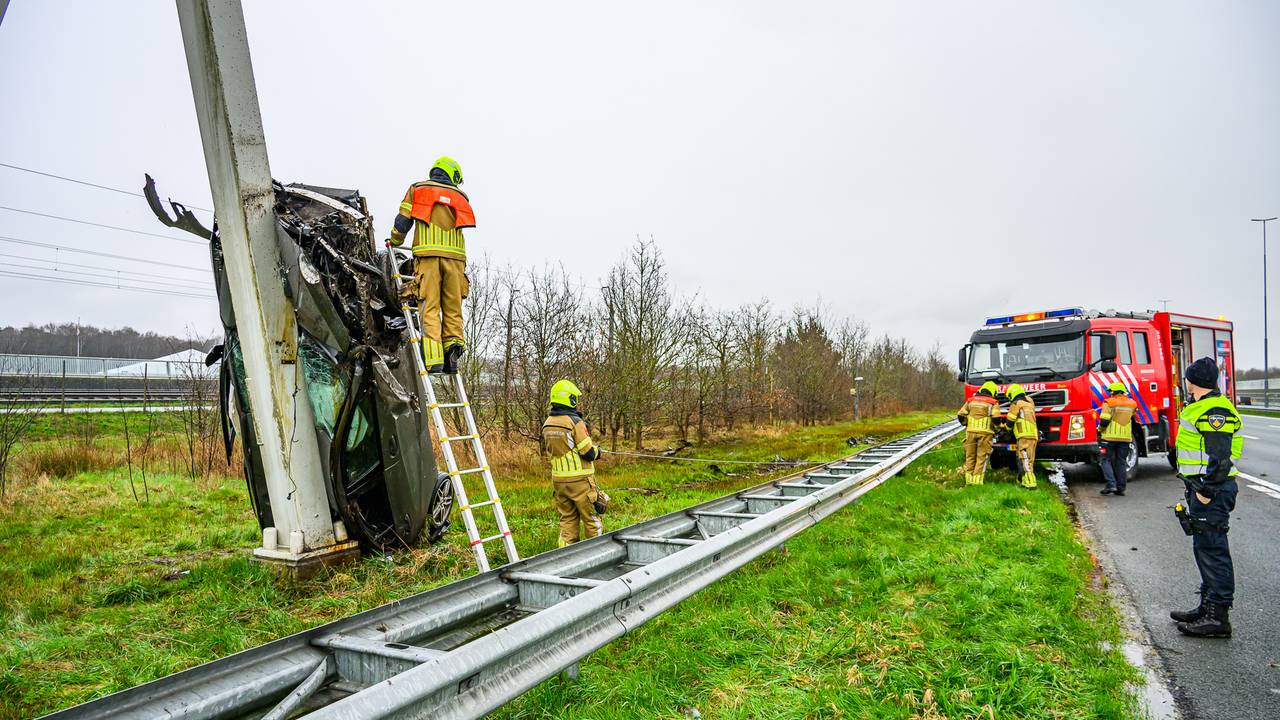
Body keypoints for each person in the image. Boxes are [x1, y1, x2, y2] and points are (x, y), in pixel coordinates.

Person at [1169, 357, 1242, 638]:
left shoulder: (1213, 409)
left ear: (1193, 380)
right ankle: (1207, 606)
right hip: (1201, 486)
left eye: (1187, 377)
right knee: (1204, 547)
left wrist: (1207, 491)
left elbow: (1220, 458)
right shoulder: (1200, 406)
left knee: (1213, 549)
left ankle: (1218, 618)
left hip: (1211, 489)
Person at [389, 157, 473, 374]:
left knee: (430, 306)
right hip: (456, 261)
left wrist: (395, 241)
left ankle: (434, 360)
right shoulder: (461, 196)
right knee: (453, 308)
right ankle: (452, 354)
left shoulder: (418, 189)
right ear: (453, 175)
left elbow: (402, 222)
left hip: (428, 258)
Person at [542, 379, 605, 546]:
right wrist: (599, 451)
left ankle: (565, 557)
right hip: (581, 481)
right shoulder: (575, 422)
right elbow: (588, 452)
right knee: (592, 519)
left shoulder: (547, 423)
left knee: (567, 521)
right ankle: (597, 555)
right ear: (570, 399)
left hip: (559, 482)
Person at [1097, 381, 1138, 496]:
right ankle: (1121, 488)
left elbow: (1104, 420)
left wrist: (1099, 429)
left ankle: (1111, 484)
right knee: (1121, 462)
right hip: (1125, 438)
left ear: (1113, 392)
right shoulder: (1132, 403)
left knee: (1105, 460)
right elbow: (1133, 416)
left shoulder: (1109, 403)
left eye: (1110, 392)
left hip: (1108, 438)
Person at [957, 381, 1001, 485]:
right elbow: (996, 418)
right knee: (982, 457)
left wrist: (966, 424)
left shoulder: (971, 400)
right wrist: (997, 429)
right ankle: (977, 483)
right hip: (985, 434)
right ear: (993, 391)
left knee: (970, 457)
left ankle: (969, 481)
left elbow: (960, 415)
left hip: (970, 433)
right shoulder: (993, 402)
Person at [1004, 383, 1039, 489]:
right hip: (1033, 435)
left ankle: (1030, 483)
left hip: (1024, 435)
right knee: (1029, 459)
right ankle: (1023, 481)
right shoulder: (1029, 404)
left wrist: (1005, 429)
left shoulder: (1016, 404)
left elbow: (1010, 423)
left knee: (1024, 459)